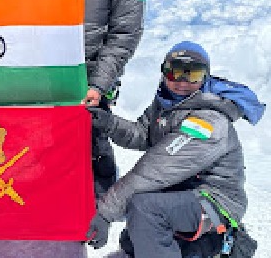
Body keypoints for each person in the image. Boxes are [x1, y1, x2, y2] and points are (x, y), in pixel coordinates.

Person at [85, 41, 265, 258]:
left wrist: (105, 213)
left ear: (205, 77)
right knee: (136, 235)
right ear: (164, 72)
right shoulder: (168, 104)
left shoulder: (209, 122)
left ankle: (218, 243)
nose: (182, 81)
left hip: (214, 199)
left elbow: (156, 170)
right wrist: (108, 123)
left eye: (193, 74)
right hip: (182, 191)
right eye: (176, 72)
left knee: (146, 208)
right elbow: (143, 135)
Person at [42, 0, 146, 197]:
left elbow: (124, 35)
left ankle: (100, 197)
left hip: (94, 73)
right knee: (58, 134)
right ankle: (61, 190)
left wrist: (99, 85)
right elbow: (36, 8)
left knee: (94, 135)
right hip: (58, 71)